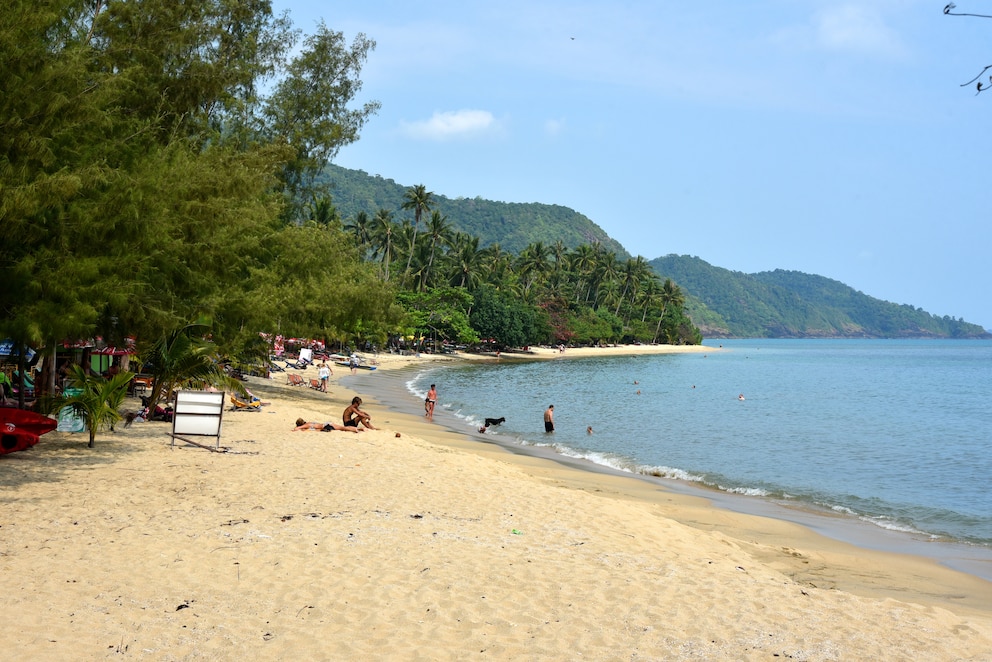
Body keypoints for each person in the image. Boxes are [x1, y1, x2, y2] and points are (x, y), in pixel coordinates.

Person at [294, 418, 360, 433]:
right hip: (326, 424)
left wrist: (295, 429)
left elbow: (298, 428)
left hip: (325, 426)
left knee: (343, 428)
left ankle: (355, 430)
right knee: (342, 428)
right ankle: (360, 429)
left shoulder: (306, 425)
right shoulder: (309, 423)